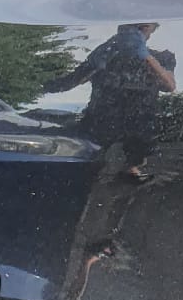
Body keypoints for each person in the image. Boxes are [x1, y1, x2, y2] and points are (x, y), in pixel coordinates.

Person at [47, 21, 176, 183]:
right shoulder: (105, 54)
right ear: (119, 28)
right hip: (101, 124)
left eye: (143, 27)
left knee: (131, 171)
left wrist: (145, 56)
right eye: (131, 27)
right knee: (90, 172)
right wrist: (101, 57)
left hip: (140, 127)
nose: (136, 31)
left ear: (152, 30)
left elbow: (169, 85)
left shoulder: (161, 57)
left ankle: (130, 171)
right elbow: (71, 82)